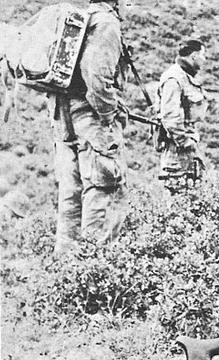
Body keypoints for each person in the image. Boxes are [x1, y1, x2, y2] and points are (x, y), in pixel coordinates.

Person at [51, 0, 129, 253]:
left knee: (71, 193)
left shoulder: (82, 20)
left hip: (64, 115)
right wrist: (109, 114)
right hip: (91, 118)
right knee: (105, 189)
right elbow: (96, 76)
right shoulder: (106, 22)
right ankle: (97, 267)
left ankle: (68, 271)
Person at [156, 39, 207, 191]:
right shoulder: (174, 78)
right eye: (203, 55)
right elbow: (170, 117)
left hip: (186, 152)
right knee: (176, 200)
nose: (204, 60)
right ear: (194, 56)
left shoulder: (184, 77)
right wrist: (185, 142)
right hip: (177, 153)